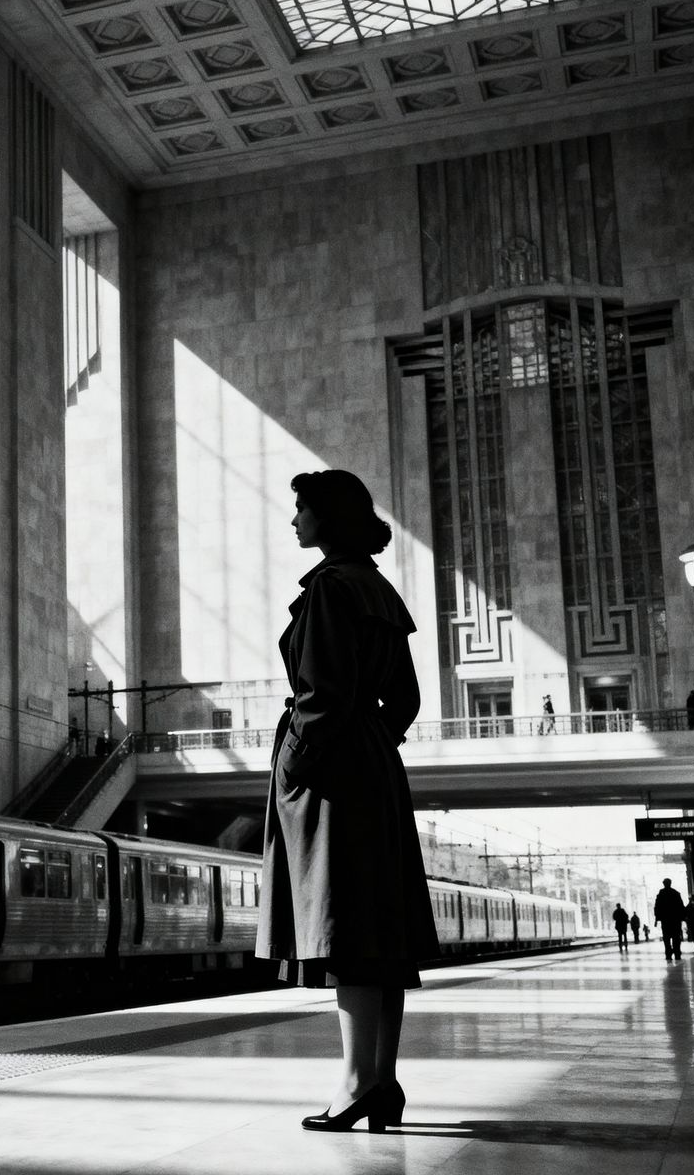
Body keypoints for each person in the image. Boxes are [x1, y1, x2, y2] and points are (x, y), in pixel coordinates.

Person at [256, 470, 436, 1133]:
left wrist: (297, 766)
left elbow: (321, 696)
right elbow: (407, 701)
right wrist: (372, 742)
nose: (294, 519)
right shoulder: (380, 592)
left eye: (300, 507)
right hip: (374, 768)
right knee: (381, 932)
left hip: (335, 774)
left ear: (326, 517)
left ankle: (357, 1085)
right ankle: (382, 1081)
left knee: (351, 929)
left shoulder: (332, 588)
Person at [653, 878, 686, 961]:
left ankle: (668, 953)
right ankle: (677, 952)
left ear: (664, 884)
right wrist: (683, 917)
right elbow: (681, 906)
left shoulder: (661, 894)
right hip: (675, 919)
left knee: (666, 938)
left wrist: (657, 919)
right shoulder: (676, 893)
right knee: (676, 937)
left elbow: (657, 907)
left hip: (665, 920)